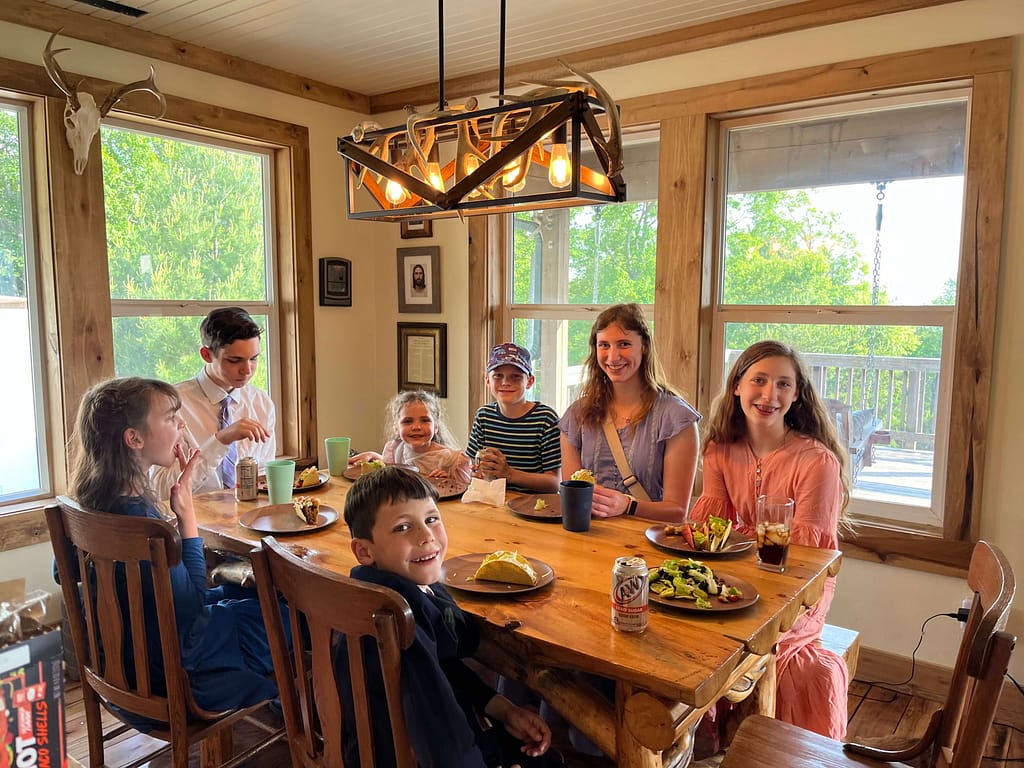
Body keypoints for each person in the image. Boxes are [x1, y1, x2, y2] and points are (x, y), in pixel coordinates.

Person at [66, 377, 282, 728]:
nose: (181, 424)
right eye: (170, 417)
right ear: (134, 439)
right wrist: (187, 518)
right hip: (172, 679)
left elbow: (65, 573)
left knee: (244, 595)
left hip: (118, 669)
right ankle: (299, 710)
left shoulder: (87, 508)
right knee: (287, 615)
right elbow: (193, 604)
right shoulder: (145, 526)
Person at [337, 466, 563, 768]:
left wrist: (501, 707)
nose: (426, 536)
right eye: (403, 527)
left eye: (431, 519)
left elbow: (443, 668)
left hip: (380, 747)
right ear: (364, 551)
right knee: (547, 761)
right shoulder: (400, 622)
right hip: (413, 755)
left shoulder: (381, 591)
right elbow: (439, 728)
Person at [690, 340, 851, 740]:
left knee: (756, 650)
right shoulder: (719, 448)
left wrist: (738, 543)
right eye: (758, 380)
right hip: (738, 577)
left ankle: (764, 745)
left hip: (802, 589)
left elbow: (808, 559)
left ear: (796, 395)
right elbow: (711, 533)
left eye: (783, 384)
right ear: (737, 387)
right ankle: (697, 740)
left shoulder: (817, 462)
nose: (769, 394)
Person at [559, 303, 700, 522]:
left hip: (647, 544)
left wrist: (628, 505)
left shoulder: (676, 418)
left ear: (644, 346)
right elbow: (572, 497)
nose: (613, 357)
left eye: (624, 344)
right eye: (604, 345)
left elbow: (676, 512)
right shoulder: (576, 415)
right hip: (587, 541)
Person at [150, 307, 275, 498]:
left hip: (250, 519)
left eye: (254, 359)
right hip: (191, 523)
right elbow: (162, 491)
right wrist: (220, 441)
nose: (247, 370)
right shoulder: (172, 406)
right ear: (206, 355)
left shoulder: (261, 404)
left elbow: (264, 476)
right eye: (235, 360)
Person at [466, 343, 560, 493]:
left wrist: (509, 474)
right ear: (487, 381)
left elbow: (555, 483)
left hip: (534, 505)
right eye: (498, 376)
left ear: (529, 381)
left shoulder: (545, 419)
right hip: (492, 500)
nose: (505, 382)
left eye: (515, 377)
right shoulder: (483, 416)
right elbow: (471, 465)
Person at [349, 390, 471, 485]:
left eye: (425, 420)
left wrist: (445, 481)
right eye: (407, 421)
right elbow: (389, 472)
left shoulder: (452, 460)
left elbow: (465, 493)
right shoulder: (393, 450)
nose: (416, 427)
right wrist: (373, 456)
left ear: (436, 427)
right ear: (396, 428)